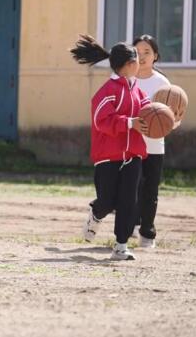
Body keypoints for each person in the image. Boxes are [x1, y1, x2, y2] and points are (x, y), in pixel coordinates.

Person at [71, 34, 149, 260]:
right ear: (127, 65)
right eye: (137, 60)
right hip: (108, 157)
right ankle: (96, 213)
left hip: (133, 155)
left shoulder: (137, 89)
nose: (140, 64)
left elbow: (146, 110)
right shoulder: (107, 92)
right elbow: (101, 121)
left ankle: (121, 246)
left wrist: (161, 116)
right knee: (107, 202)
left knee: (128, 201)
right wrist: (129, 122)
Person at [133, 34, 172, 249]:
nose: (142, 56)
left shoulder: (163, 83)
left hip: (155, 146)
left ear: (155, 56)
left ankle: (147, 233)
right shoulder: (127, 80)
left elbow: (173, 116)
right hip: (130, 145)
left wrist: (170, 123)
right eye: (137, 52)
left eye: (147, 52)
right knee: (130, 188)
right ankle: (129, 223)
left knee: (150, 190)